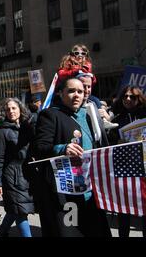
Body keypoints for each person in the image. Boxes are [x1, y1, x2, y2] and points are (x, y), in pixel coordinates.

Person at [32, 77, 111, 237]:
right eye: (71, 91)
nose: (77, 95)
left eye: (80, 91)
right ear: (61, 93)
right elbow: (39, 148)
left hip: (91, 189)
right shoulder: (50, 114)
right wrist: (62, 148)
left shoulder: (89, 115)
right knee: (71, 232)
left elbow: (101, 143)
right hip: (66, 192)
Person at [0, 98, 35, 237]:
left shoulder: (27, 127)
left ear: (20, 109)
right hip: (11, 177)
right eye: (8, 109)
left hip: (26, 175)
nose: (11, 111)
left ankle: (0, 232)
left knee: (14, 209)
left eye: (14, 108)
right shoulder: (2, 132)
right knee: (20, 211)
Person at [109, 85, 146, 237]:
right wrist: (117, 141)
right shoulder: (117, 120)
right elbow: (109, 142)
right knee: (124, 208)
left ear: (140, 99)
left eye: (133, 97)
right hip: (125, 167)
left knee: (144, 207)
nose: (128, 99)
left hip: (144, 167)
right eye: (125, 96)